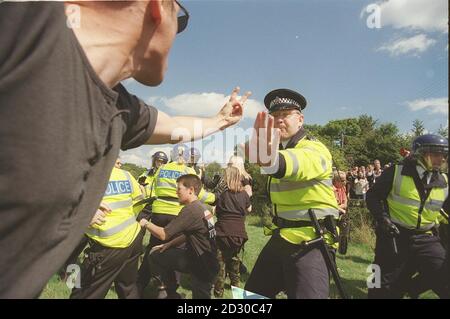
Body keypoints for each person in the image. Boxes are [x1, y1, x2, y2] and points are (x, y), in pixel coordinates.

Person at [0, 1, 251, 298]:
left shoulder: (118, 107)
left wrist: (219, 121)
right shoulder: (28, 25)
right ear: (157, 9)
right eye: (179, 23)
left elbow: (172, 128)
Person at [243, 88, 340, 299]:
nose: (279, 120)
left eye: (285, 115)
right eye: (274, 116)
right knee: (250, 299)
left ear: (300, 119)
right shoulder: (280, 150)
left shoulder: (315, 149)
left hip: (312, 242)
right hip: (282, 237)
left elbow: (292, 164)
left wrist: (268, 159)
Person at [366, 134, 449, 299]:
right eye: (435, 154)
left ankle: (411, 288)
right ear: (420, 154)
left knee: (445, 274)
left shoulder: (445, 181)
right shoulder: (395, 171)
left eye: (443, 155)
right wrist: (382, 218)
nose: (440, 159)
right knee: (380, 284)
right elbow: (373, 196)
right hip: (395, 235)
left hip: (426, 238)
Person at [136, 144, 215, 297]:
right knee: (178, 250)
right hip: (178, 212)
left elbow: (151, 190)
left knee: (154, 248)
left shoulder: (161, 169)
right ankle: (171, 288)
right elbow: (199, 193)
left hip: (158, 212)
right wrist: (215, 198)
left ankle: (141, 284)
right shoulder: (188, 170)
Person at [70, 158, 145, 299]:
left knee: (85, 292)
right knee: (128, 288)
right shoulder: (126, 175)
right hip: (133, 237)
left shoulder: (87, 176)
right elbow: (139, 202)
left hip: (108, 245)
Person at [213, 166, 252, 298]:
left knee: (220, 266)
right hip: (239, 235)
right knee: (235, 267)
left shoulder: (223, 195)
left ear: (227, 178)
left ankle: (218, 294)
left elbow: (216, 212)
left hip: (222, 233)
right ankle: (238, 295)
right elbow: (249, 209)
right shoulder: (244, 195)